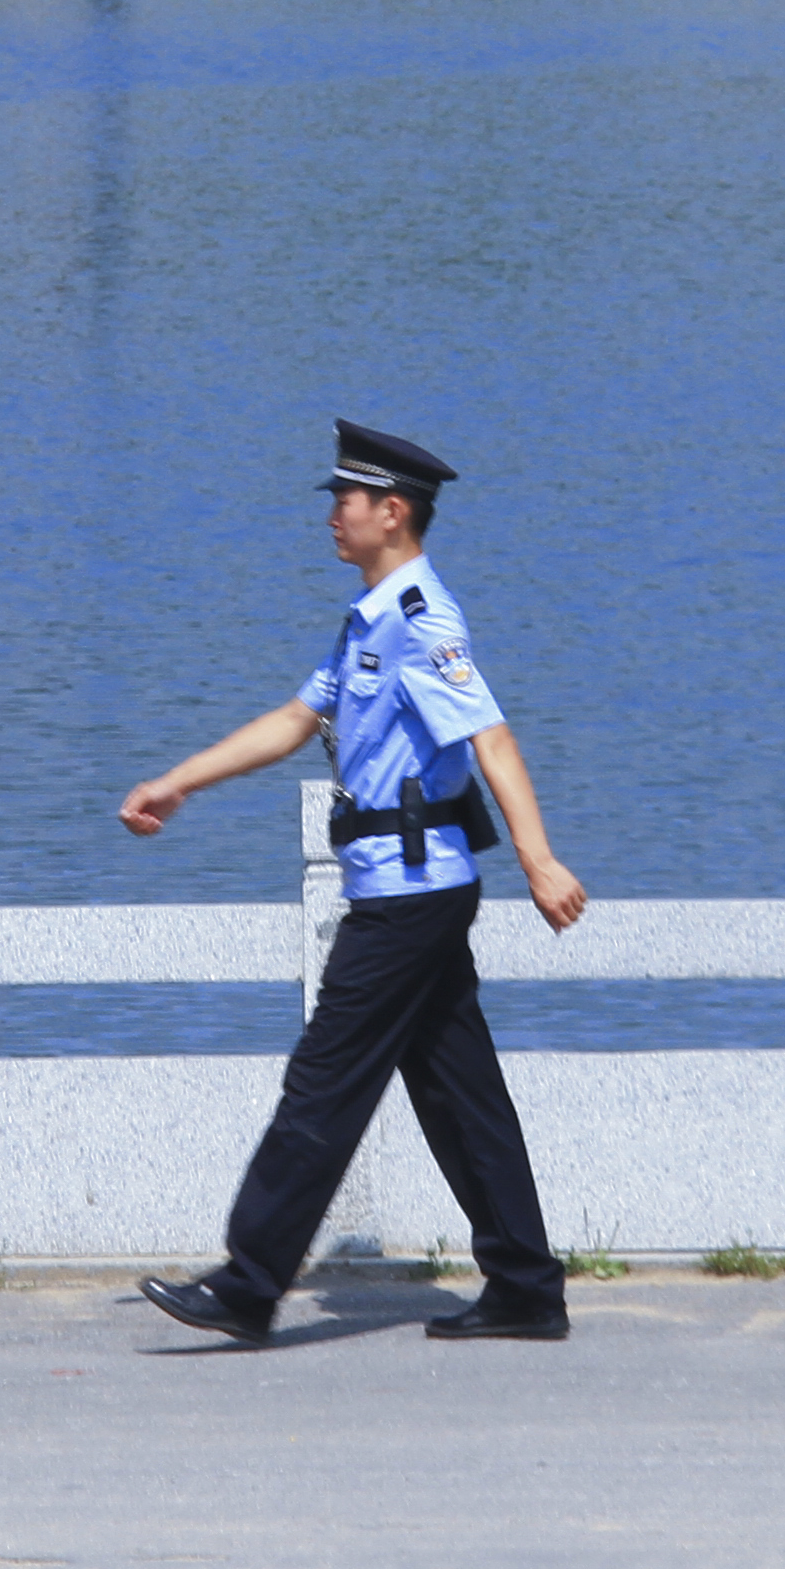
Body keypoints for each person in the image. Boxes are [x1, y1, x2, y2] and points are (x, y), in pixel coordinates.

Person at [119, 420, 589, 1345]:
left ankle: (249, 1282)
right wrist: (179, 781)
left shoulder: (422, 623)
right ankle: (526, 1285)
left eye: (347, 499)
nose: (332, 514)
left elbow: (490, 736)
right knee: (461, 1096)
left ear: (393, 512)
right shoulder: (370, 621)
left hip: (412, 896)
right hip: (403, 887)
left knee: (324, 1085)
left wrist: (538, 859)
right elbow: (295, 721)